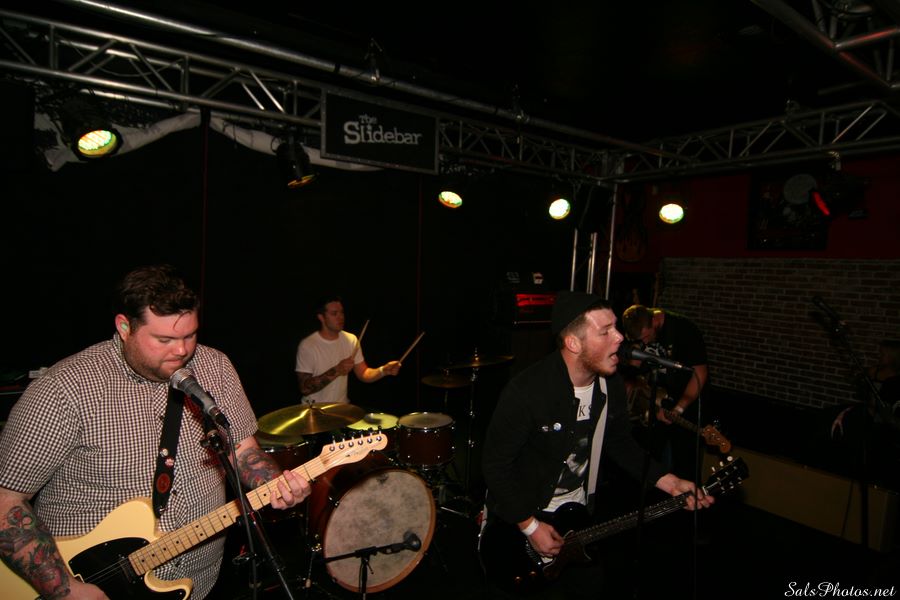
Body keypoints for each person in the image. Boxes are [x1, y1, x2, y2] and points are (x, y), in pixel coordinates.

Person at [0, 265, 311, 600]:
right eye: (164, 339)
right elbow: (6, 501)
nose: (181, 350)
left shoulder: (216, 367)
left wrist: (274, 484)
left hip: (199, 580)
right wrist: (64, 589)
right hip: (88, 581)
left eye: (190, 335)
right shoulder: (65, 389)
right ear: (124, 327)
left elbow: (243, 451)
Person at [481, 291, 713, 598]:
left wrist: (670, 482)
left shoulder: (609, 384)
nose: (620, 337)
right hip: (521, 520)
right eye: (605, 331)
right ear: (574, 344)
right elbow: (495, 466)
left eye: (616, 326)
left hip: (577, 518)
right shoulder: (527, 392)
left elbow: (619, 442)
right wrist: (530, 526)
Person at [621, 304, 709, 479]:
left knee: (684, 466)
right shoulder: (639, 328)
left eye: (646, 337)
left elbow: (700, 373)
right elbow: (632, 367)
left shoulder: (684, 331)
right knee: (643, 463)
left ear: (655, 321)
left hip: (682, 402)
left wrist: (679, 408)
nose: (645, 343)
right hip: (651, 404)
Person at [295, 295, 401, 405]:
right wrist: (337, 370)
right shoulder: (308, 345)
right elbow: (305, 388)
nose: (340, 317)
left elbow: (363, 373)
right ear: (321, 317)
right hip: (313, 409)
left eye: (342, 312)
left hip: (341, 407)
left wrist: (383, 370)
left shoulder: (351, 340)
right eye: (334, 313)